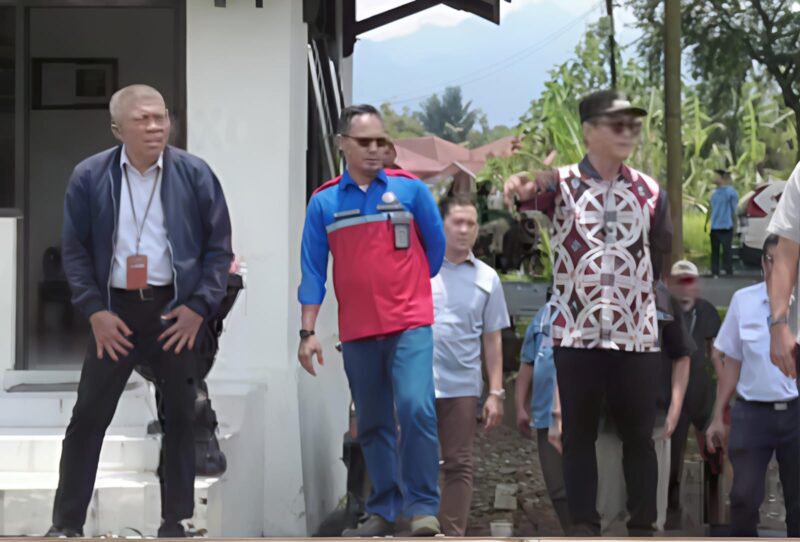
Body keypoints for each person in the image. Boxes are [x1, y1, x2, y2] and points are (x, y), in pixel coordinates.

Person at [46, 85, 233, 538]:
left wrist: (198, 308)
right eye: (142, 119)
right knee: (88, 417)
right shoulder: (90, 176)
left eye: (160, 117)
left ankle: (176, 521)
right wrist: (94, 311)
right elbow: (74, 251)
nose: (154, 127)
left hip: (174, 311)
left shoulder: (194, 174)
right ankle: (66, 525)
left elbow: (218, 250)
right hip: (115, 313)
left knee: (181, 417)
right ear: (118, 129)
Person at [503, 89, 672, 536]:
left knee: (639, 438)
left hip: (635, 334)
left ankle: (643, 527)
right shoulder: (561, 184)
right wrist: (521, 183)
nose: (627, 132)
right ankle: (583, 528)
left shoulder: (651, 191)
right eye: (616, 124)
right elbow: (527, 192)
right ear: (590, 130)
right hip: (576, 332)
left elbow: (659, 254)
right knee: (578, 436)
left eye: (632, 124)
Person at [297, 104, 446, 537]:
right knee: (373, 420)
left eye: (381, 141)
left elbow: (435, 251)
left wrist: (406, 287)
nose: (375, 149)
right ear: (342, 144)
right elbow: (313, 271)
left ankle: (423, 507)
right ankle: (383, 509)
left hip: (410, 324)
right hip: (358, 331)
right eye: (364, 142)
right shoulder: (324, 202)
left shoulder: (411, 191)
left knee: (416, 408)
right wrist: (307, 332)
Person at [707, 234, 799, 536]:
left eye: (785, 262)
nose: (777, 268)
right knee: (743, 498)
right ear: (762, 263)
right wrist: (718, 415)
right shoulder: (743, 301)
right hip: (752, 413)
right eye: (772, 260)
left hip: (795, 412)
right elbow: (730, 361)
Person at [431, 194, 510, 536]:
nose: (464, 230)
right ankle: (417, 530)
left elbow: (492, 340)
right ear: (441, 225)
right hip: (418, 382)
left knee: (459, 464)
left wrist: (495, 392)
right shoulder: (420, 269)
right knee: (414, 461)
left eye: (471, 224)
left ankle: (452, 534)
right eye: (457, 222)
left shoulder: (487, 278)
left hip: (462, 385)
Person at [594, 282, 692, 534]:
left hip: (654, 420)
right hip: (605, 420)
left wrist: (675, 408)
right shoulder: (596, 288)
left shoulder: (662, 296)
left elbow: (682, 354)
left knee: (651, 520)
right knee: (605, 517)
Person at [666, 260, 722, 526]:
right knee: (672, 460)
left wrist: (723, 394)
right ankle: (671, 512)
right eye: (681, 281)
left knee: (714, 453)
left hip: (702, 393)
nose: (686, 287)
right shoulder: (664, 312)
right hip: (674, 395)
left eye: (690, 281)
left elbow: (716, 354)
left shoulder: (707, 312)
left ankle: (714, 515)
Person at [516, 301, 572, 534]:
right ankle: (571, 532)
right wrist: (520, 406)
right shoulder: (543, 315)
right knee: (556, 485)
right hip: (544, 415)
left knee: (584, 481)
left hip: (581, 415)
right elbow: (528, 362)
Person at [706, 169, 738, 277]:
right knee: (714, 250)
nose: (714, 178)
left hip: (726, 226)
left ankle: (728, 269)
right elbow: (711, 209)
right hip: (715, 226)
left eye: (716, 176)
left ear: (722, 178)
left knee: (727, 250)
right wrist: (707, 223)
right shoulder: (714, 193)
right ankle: (715, 270)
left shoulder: (730, 192)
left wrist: (735, 224)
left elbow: (734, 210)